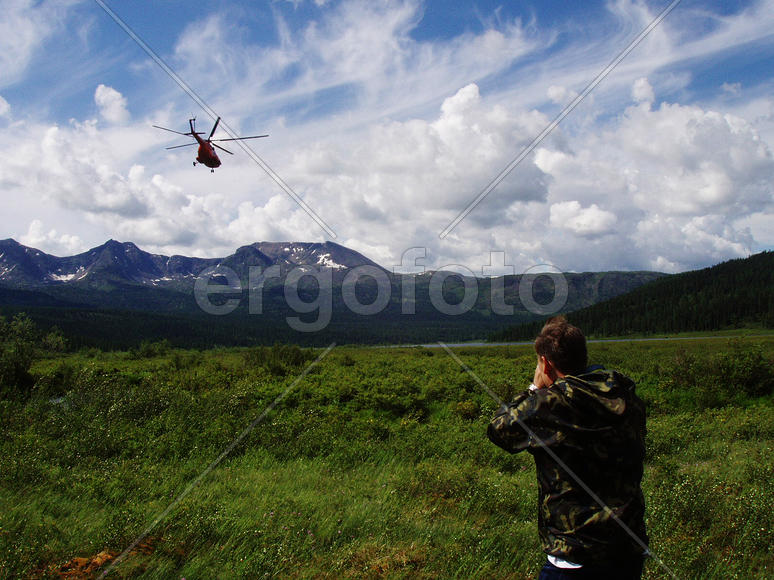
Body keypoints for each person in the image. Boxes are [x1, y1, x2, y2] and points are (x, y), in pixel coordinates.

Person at [487, 316, 648, 580]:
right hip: (628, 545)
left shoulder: (551, 404)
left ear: (546, 363)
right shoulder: (623, 395)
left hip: (575, 553)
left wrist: (534, 388)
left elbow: (500, 430)